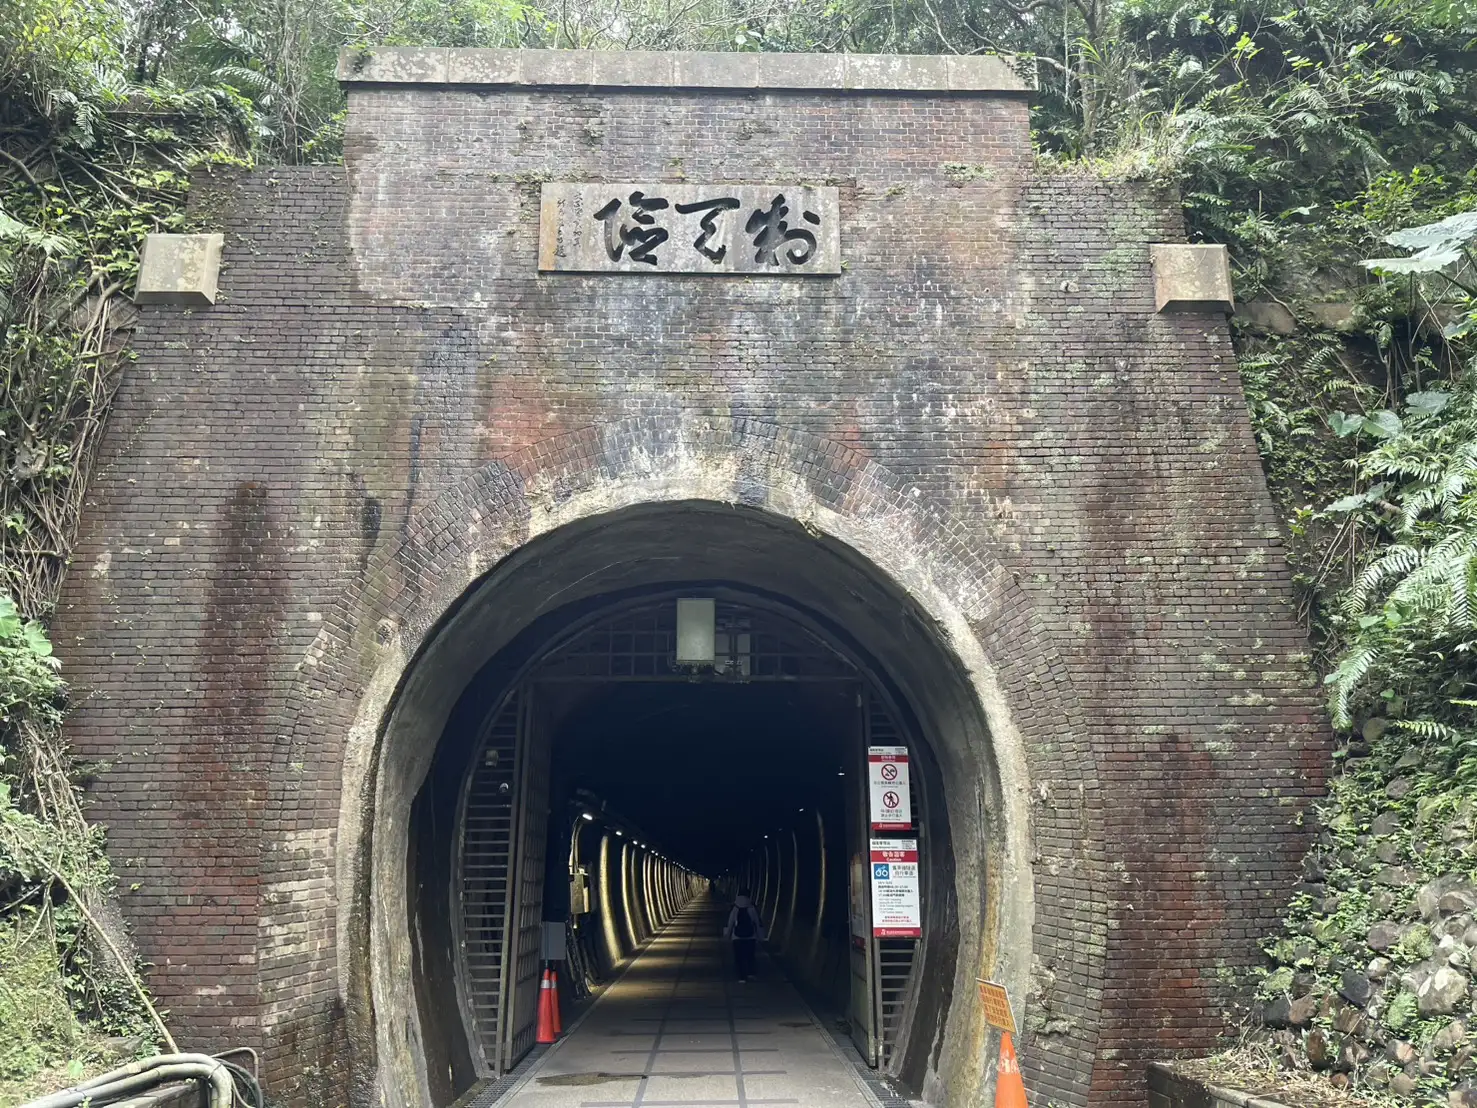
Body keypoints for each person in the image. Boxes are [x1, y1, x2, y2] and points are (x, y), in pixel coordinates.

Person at [724, 890, 764, 982]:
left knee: (739, 957)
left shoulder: (735, 908)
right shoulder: (752, 908)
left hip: (737, 937)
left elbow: (730, 923)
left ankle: (741, 977)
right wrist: (760, 936)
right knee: (750, 956)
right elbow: (757, 923)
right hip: (751, 937)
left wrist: (727, 935)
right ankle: (750, 973)